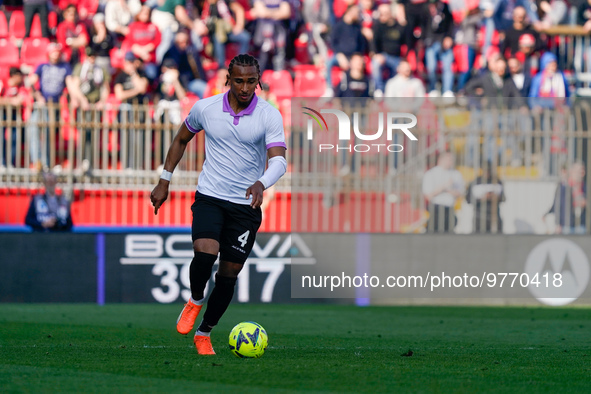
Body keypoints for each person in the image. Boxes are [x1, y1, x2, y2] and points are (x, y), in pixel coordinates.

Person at [150, 54, 287, 355]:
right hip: (210, 196)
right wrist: (164, 180)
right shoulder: (206, 108)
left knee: (228, 275)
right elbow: (180, 139)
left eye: (251, 81)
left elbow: (279, 160)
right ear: (228, 79)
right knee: (204, 253)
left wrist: (262, 182)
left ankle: (204, 332)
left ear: (259, 80)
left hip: (245, 206)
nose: (245, 87)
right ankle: (196, 299)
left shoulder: (269, 115)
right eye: (239, 80)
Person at [422, 152, 465, 232]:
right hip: (436, 209)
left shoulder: (456, 174)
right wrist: (444, 187)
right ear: (440, 160)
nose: (451, 162)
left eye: (452, 160)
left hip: (450, 209)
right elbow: (428, 195)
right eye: (448, 160)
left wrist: (449, 190)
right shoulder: (431, 174)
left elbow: (461, 193)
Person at [371, 2, 404, 97]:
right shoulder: (378, 25)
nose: (383, 16)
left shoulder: (400, 26)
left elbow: (407, 42)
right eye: (381, 13)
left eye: (386, 13)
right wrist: (376, 54)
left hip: (397, 58)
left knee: (400, 70)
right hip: (383, 56)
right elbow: (374, 42)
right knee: (376, 64)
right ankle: (379, 90)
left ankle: (392, 93)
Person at [545, 162, 587, 234]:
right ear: (571, 172)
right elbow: (557, 205)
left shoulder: (585, 187)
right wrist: (558, 223)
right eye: (579, 171)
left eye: (583, 171)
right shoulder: (563, 187)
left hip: (581, 226)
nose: (582, 173)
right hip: (566, 226)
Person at [465, 163, 505, 233]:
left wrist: (495, 197)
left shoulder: (497, 181)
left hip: (494, 217)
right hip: (479, 217)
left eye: (489, 170)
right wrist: (482, 198)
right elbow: (468, 200)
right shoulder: (475, 182)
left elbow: (503, 198)